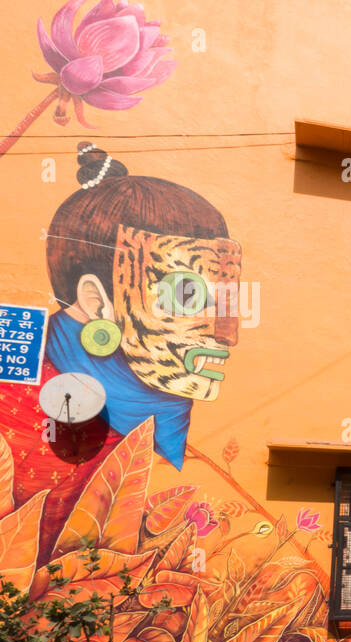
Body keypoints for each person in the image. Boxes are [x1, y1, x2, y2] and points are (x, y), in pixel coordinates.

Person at [0, 143, 241, 562]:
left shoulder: (160, 409)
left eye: (228, 299)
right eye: (187, 293)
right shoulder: (15, 409)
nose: (226, 331)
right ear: (96, 302)